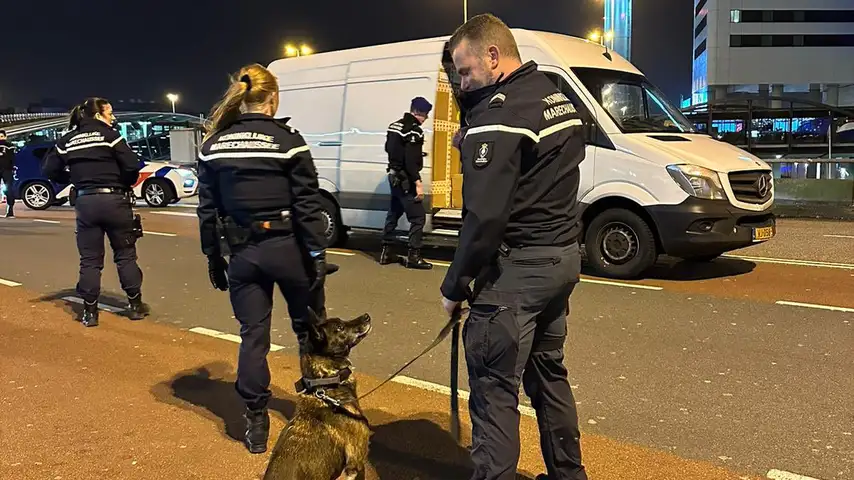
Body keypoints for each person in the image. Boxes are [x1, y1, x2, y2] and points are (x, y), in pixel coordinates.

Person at [439, 14, 589, 480]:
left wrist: (455, 284)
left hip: (515, 274)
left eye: (465, 72)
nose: (462, 84)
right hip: (561, 259)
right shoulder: (553, 94)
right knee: (549, 378)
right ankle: (569, 475)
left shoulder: (498, 117)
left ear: (492, 55)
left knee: (493, 391)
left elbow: (484, 219)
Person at [196, 63, 330, 455]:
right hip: (288, 247)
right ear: (272, 99)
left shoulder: (213, 144)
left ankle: (256, 422)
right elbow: (308, 203)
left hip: (242, 253)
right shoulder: (288, 140)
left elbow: (208, 209)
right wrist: (317, 252)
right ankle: (316, 408)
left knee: (253, 336)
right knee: (309, 330)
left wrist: (212, 258)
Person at [43, 98, 150, 328]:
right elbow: (132, 164)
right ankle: (135, 306)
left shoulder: (67, 140)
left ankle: (90, 313)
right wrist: (123, 183)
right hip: (115, 200)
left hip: (86, 201)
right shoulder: (110, 136)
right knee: (125, 255)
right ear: (99, 115)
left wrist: (73, 179)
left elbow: (49, 169)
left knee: (90, 260)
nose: (113, 117)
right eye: (109, 113)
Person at [379, 97, 433, 270]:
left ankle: (386, 253)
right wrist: (417, 182)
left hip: (393, 176)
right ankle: (413, 256)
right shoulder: (414, 131)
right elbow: (410, 159)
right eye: (426, 115)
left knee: (394, 212)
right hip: (405, 180)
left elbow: (388, 148)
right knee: (418, 217)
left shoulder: (394, 126)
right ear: (420, 113)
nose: (426, 119)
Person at [0, 129, 16, 218]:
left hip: (7, 170)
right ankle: (9, 209)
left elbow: (13, 159)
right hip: (6, 169)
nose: (0, 139)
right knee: (8, 189)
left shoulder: (10, 146)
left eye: (2, 136)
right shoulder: (10, 146)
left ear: (5, 137)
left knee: (9, 189)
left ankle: (10, 209)